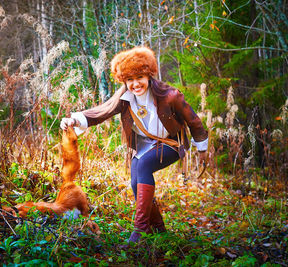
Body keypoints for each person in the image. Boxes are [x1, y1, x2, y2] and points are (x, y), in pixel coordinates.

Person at [60, 46, 208, 244]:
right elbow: (102, 111)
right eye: (129, 80)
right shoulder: (124, 97)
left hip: (171, 143)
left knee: (144, 165)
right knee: (135, 181)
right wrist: (74, 120)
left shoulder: (170, 95)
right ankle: (159, 229)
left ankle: (139, 230)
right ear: (124, 81)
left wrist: (202, 148)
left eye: (139, 77)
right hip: (144, 146)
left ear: (148, 75)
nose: (135, 84)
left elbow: (194, 121)